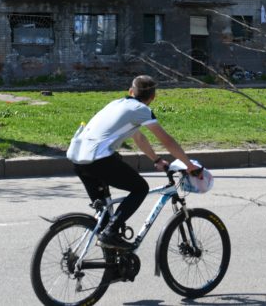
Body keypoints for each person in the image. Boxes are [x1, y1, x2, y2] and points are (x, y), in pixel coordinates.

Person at [67, 75, 199, 251]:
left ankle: (112, 269)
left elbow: (138, 137)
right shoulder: (141, 110)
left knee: (106, 220)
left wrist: (157, 160)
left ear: (130, 92)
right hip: (97, 160)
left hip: (78, 158)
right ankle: (111, 232)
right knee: (140, 188)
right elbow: (167, 141)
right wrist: (189, 165)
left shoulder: (116, 104)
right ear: (153, 97)